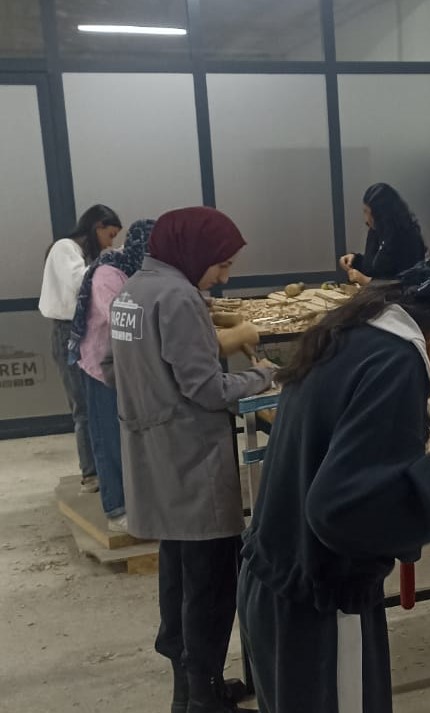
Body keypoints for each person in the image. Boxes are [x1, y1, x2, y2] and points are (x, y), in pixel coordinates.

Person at [238, 252, 430, 713]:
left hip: (276, 577)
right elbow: (345, 509)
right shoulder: (396, 361)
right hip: (319, 604)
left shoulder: (361, 326)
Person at [109, 207, 276, 713]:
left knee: (178, 574)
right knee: (210, 581)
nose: (223, 277)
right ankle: (204, 697)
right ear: (194, 252)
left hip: (154, 453)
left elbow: (128, 368)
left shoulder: (133, 291)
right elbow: (206, 388)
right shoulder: (178, 297)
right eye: (221, 265)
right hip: (191, 458)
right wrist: (265, 376)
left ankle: (189, 692)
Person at [67, 219, 155, 533]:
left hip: (126, 364)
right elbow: (122, 319)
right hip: (100, 366)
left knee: (130, 435)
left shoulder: (135, 270)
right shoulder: (108, 273)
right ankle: (116, 508)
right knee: (109, 438)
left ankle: (140, 501)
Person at [39, 204, 122, 493]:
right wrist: (112, 261)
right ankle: (91, 473)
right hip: (68, 334)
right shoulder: (64, 248)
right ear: (97, 226)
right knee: (84, 407)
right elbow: (80, 282)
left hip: (81, 332)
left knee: (95, 404)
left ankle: (103, 468)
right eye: (109, 235)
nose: (109, 243)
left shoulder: (83, 255)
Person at [338, 183, 428, 285]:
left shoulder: (408, 238)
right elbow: (374, 267)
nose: (366, 219)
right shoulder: (376, 231)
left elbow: (406, 282)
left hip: (397, 294)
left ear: (381, 215)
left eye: (368, 213)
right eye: (364, 212)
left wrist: (367, 281)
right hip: (373, 293)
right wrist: (355, 260)